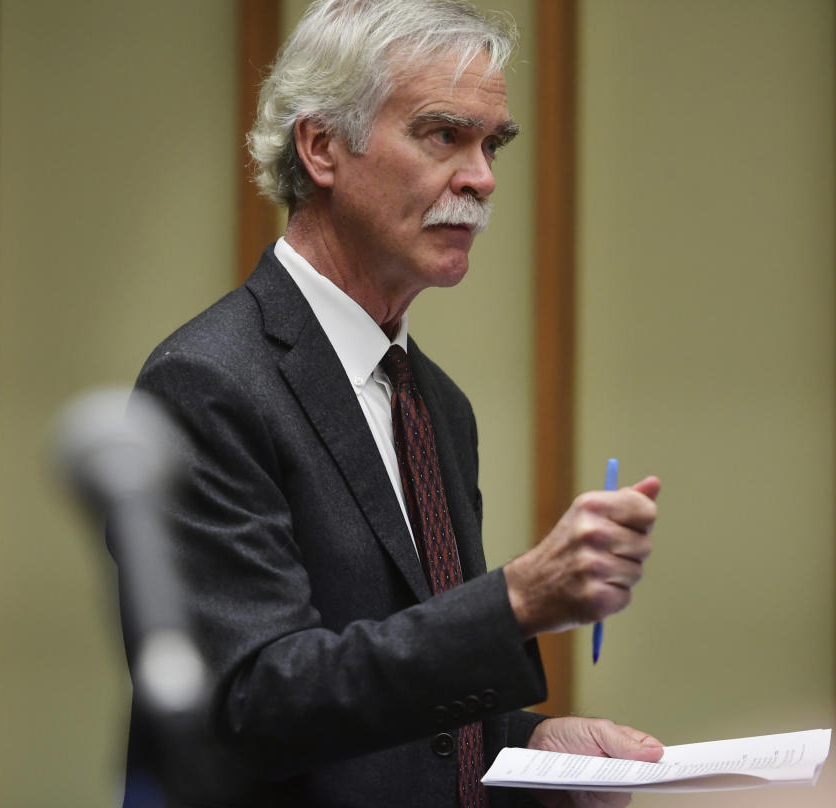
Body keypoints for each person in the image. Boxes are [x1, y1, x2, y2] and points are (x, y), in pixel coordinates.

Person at [121, 1, 663, 805]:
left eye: (492, 144)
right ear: (323, 146)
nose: (481, 177)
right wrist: (514, 601)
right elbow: (250, 705)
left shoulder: (435, 402)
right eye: (444, 135)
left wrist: (533, 745)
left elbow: (406, 713)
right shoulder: (206, 385)